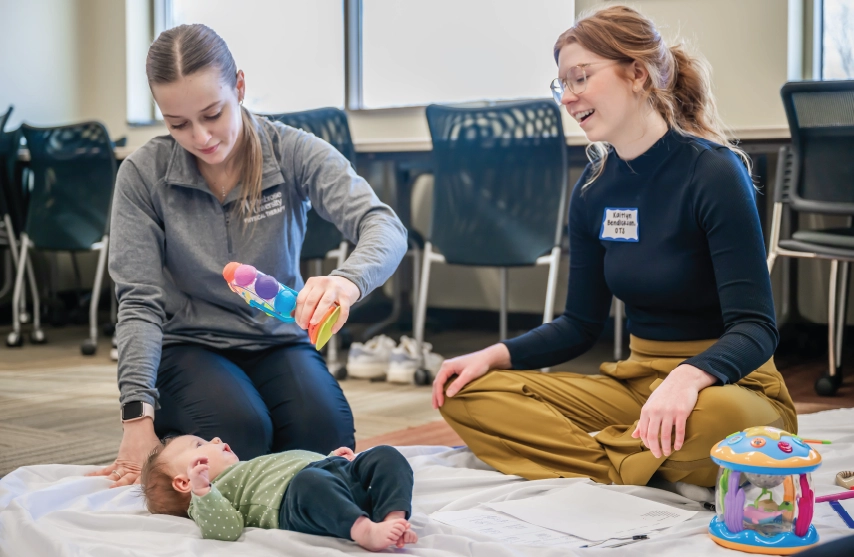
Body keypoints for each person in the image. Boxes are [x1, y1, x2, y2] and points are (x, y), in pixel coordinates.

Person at [431, 5, 796, 488]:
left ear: (638, 74)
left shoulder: (713, 172)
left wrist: (688, 379)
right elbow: (580, 325)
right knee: (465, 393)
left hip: (728, 384)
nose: (567, 97)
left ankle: (600, 454)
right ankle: (639, 458)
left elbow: (755, 328)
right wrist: (494, 355)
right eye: (561, 83)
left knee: (721, 422)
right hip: (636, 382)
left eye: (580, 78)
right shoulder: (593, 187)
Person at [88, 24, 407, 488]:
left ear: (239, 86)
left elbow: (384, 225)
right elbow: (138, 302)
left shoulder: (292, 150)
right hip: (190, 344)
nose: (200, 137)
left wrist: (347, 281)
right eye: (177, 124)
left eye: (213, 113)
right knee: (239, 439)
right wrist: (137, 419)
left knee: (323, 445)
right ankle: (186, 429)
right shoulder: (143, 174)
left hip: (278, 340)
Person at [141, 437, 417, 551]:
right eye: (199, 443)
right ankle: (364, 530)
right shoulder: (209, 496)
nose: (215, 439)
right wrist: (203, 491)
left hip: (330, 475)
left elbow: (298, 462)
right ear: (183, 483)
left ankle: (393, 517)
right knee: (311, 482)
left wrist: (332, 459)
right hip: (297, 501)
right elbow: (226, 529)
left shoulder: (251, 466)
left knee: (385, 455)